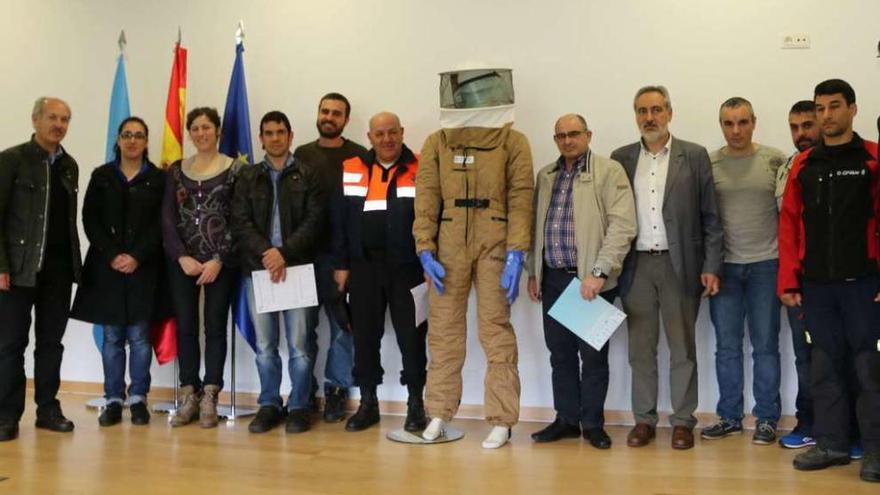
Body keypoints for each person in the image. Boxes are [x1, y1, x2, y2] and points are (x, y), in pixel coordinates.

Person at [413, 68, 534, 449]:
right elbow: (427, 196)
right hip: (448, 241)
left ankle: (502, 418)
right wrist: (424, 247)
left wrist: (517, 251)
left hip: (494, 240)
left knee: (495, 330)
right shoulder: (437, 142)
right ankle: (438, 413)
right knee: (444, 332)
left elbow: (520, 197)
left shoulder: (514, 142)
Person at [778, 79, 880, 482]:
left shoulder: (873, 158)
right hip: (817, 286)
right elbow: (788, 224)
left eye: (834, 107)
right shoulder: (803, 165)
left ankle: (874, 450)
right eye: (820, 108)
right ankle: (833, 444)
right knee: (825, 366)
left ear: (852, 109)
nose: (826, 116)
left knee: (870, 369)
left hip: (865, 285)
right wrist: (789, 280)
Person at [610, 85, 723, 450]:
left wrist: (710, 265)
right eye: (642, 111)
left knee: (682, 349)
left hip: (681, 266)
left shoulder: (693, 156)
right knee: (640, 350)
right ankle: (643, 419)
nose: (650, 117)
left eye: (656, 109)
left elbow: (711, 217)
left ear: (670, 113)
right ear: (635, 116)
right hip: (636, 266)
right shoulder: (622, 158)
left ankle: (682, 421)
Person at [527, 113, 636, 449]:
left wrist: (599, 273)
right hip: (554, 280)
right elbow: (535, 226)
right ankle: (566, 420)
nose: (567, 140)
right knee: (559, 355)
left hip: (590, 282)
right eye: (560, 136)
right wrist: (534, 271)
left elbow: (623, 226)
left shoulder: (608, 171)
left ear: (588, 134)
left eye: (574, 134)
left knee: (592, 357)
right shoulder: (546, 175)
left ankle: (592, 424)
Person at [332, 112, 428, 433]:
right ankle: (368, 404)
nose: (386, 139)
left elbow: (435, 216)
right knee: (364, 339)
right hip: (364, 269)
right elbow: (341, 222)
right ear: (370, 136)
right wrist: (342, 265)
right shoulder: (352, 168)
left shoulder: (423, 166)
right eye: (380, 133)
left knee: (412, 339)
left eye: (392, 132)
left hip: (409, 270)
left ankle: (415, 404)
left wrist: (431, 262)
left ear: (402, 132)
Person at [232, 111, 324, 434]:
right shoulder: (247, 177)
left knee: (300, 345)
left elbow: (315, 221)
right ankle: (269, 404)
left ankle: (299, 405)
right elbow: (239, 221)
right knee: (265, 346)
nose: (275, 138)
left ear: (290, 135)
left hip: (297, 268)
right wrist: (267, 254)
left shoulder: (307, 174)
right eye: (268, 133)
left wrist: (283, 253)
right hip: (258, 271)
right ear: (260, 138)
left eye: (280, 132)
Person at [71, 116, 167, 427]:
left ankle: (139, 398)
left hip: (144, 267)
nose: (132, 140)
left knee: (140, 337)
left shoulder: (158, 179)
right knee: (112, 337)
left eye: (139, 135)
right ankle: (113, 398)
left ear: (146, 141)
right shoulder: (102, 176)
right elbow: (90, 219)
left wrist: (137, 256)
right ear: (118, 139)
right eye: (127, 134)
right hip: (107, 267)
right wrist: (112, 255)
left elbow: (161, 225)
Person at [701, 97, 786, 445]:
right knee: (727, 347)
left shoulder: (774, 159)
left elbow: (789, 213)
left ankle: (766, 418)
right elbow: (705, 220)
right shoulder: (709, 164)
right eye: (728, 123)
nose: (736, 130)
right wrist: (710, 266)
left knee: (766, 346)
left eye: (742, 122)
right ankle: (729, 416)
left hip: (768, 265)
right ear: (721, 125)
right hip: (725, 269)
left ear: (754, 122)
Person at [0, 97, 81, 441]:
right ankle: (6, 415)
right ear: (35, 120)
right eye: (52, 117)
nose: (58, 125)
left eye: (64, 119)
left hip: (58, 273)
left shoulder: (69, 165)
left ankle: (48, 408)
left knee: (51, 343)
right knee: (10, 344)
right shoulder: (11, 160)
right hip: (17, 271)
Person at [163, 107, 240, 428]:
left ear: (218, 131)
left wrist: (219, 259)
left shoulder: (235, 169)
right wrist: (181, 256)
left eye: (206, 127)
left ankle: (211, 393)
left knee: (215, 327)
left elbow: (239, 217)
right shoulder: (177, 170)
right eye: (194, 128)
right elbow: (167, 218)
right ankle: (190, 392)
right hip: (183, 262)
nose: (201, 133)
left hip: (220, 263)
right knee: (185, 327)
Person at [293, 93, 367, 422]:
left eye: (337, 113)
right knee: (303, 328)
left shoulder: (360, 156)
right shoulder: (302, 154)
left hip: (343, 258)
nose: (329, 117)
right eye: (325, 111)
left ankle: (336, 389)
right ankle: (304, 392)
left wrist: (348, 261)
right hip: (303, 257)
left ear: (346, 120)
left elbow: (362, 211)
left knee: (343, 328)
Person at [775, 100, 820, 449]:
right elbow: (786, 227)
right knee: (804, 355)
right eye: (794, 127)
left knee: (847, 356)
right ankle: (808, 422)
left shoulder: (855, 160)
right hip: (797, 278)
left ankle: (849, 428)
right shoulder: (786, 167)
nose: (801, 134)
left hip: (841, 278)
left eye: (807, 125)